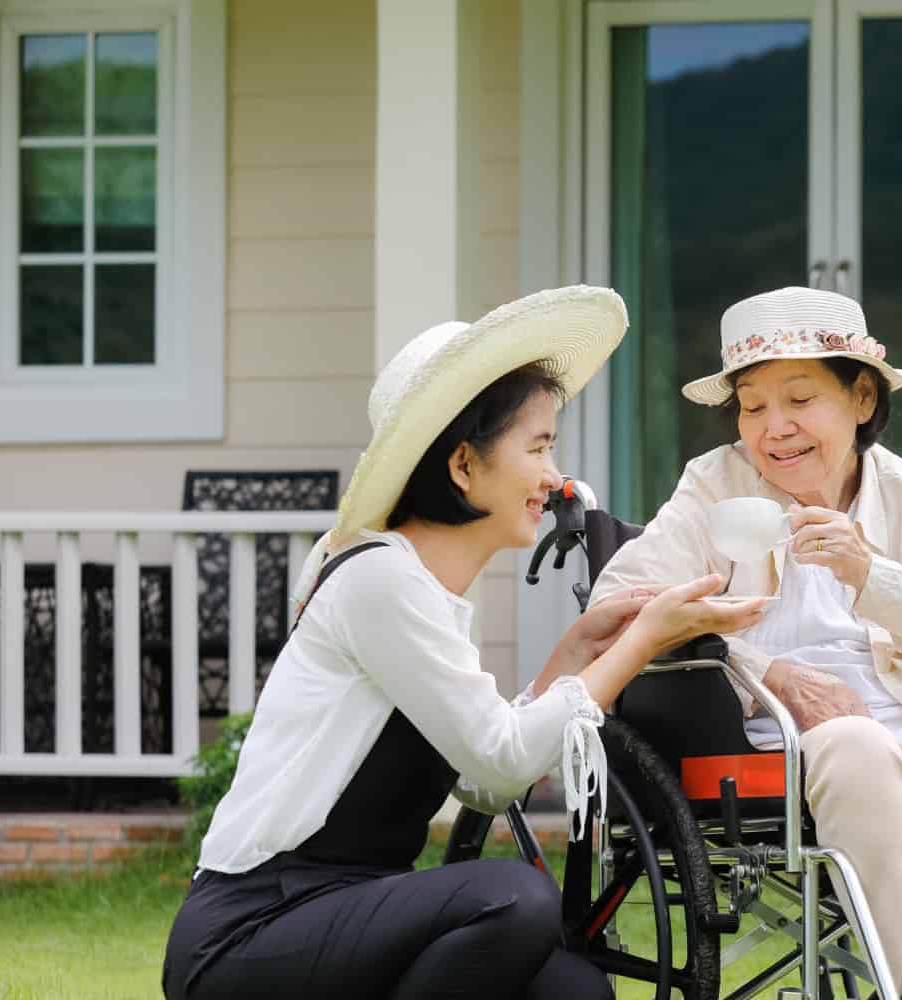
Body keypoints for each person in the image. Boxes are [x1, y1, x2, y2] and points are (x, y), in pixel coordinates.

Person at [161, 286, 765, 999]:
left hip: (341, 911)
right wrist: (640, 645)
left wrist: (572, 658)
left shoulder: (429, 596)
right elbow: (504, 762)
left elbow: (479, 779)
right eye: (538, 447)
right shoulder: (381, 582)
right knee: (514, 901)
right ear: (463, 465)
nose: (554, 477)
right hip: (253, 928)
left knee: (574, 991)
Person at [589, 287, 902, 1000]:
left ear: (861, 399)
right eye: (753, 404)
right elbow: (615, 611)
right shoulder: (714, 490)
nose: (774, 428)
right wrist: (762, 670)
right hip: (769, 738)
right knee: (857, 746)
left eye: (799, 400)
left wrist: (874, 576)